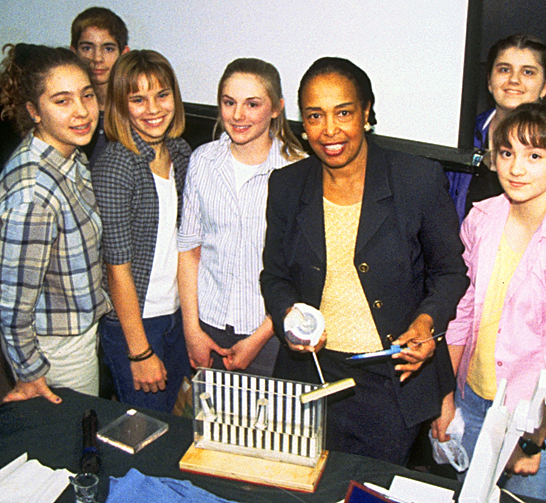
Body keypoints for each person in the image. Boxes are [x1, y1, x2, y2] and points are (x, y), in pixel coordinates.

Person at [260, 57, 469, 466]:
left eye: (343, 113)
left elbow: (450, 272)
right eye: (316, 116)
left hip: (390, 385)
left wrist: (425, 323)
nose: (330, 130)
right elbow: (275, 276)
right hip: (311, 376)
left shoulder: (416, 179)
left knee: (368, 491)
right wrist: (288, 317)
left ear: (367, 112)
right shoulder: (287, 185)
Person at [432, 103, 546, 500]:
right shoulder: (482, 217)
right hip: (472, 399)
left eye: (534, 155)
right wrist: (445, 397)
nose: (516, 168)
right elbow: (463, 310)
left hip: (534, 419)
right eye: (507, 153)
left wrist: (532, 440)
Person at [177, 58, 305, 376]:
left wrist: (260, 337)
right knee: (210, 424)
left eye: (252, 104)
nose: (237, 115)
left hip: (270, 332)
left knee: (263, 424)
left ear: (276, 108)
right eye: (229, 102)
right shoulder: (202, 161)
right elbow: (189, 249)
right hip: (207, 325)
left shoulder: (298, 170)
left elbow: (300, 270)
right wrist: (192, 329)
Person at [0, 44, 111, 403]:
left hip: (81, 331)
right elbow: (12, 303)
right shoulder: (33, 194)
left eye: (87, 96)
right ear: (34, 111)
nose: (81, 112)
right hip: (57, 351)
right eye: (62, 101)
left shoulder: (72, 156)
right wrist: (30, 373)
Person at [91, 50, 191, 413]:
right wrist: (140, 351)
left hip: (175, 316)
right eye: (138, 99)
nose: (153, 108)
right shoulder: (117, 166)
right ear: (121, 105)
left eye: (161, 95)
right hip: (135, 326)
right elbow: (116, 270)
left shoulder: (180, 153)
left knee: (172, 424)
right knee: (146, 429)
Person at [447, 34, 546, 224]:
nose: (514, 80)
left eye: (528, 72)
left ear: (545, 85)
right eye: (504, 69)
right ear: (490, 81)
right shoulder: (461, 134)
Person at [70, 6, 130, 167]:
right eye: (87, 48)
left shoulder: (135, 110)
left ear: (123, 54)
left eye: (108, 48)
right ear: (74, 52)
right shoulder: (67, 112)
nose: (97, 58)